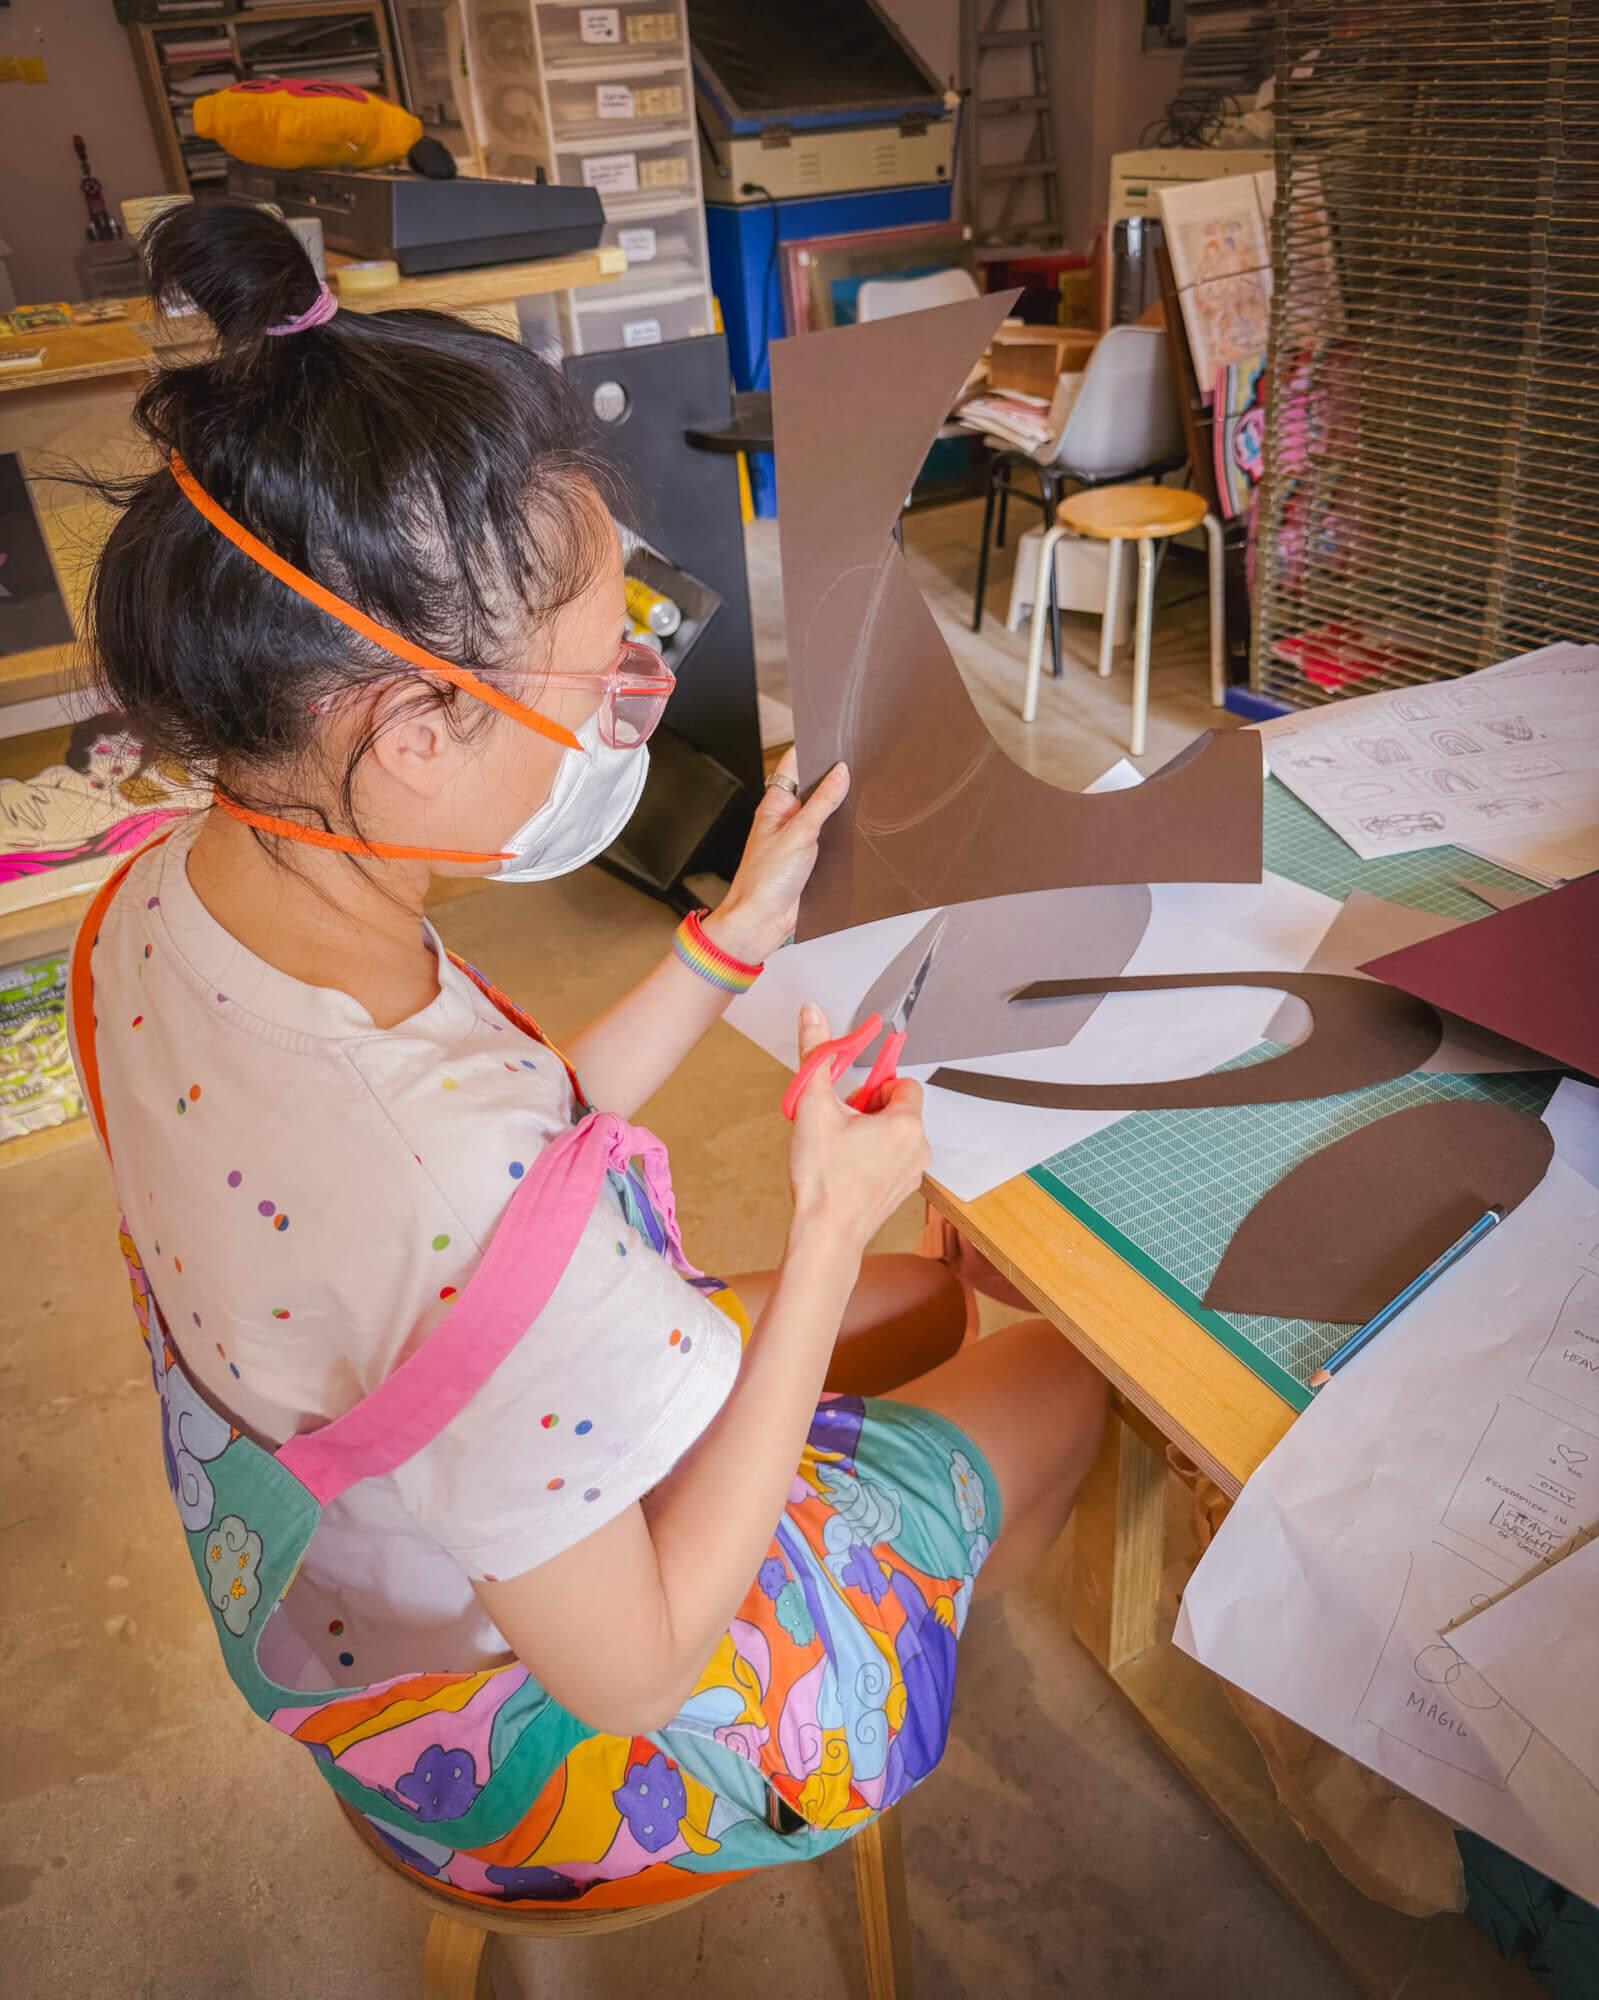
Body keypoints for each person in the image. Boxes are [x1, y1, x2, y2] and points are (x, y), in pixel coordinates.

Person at [69, 202, 1106, 1908]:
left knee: (929, 1317)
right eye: (596, 669)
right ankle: (883, 1681)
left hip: (353, 1575)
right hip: (521, 1751)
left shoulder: (166, 902)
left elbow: (511, 1142)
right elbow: (627, 1677)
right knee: (1052, 1373)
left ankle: (900, 1533)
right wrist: (835, 1214)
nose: (634, 690)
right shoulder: (442, 1193)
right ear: (405, 731)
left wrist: (727, 943)